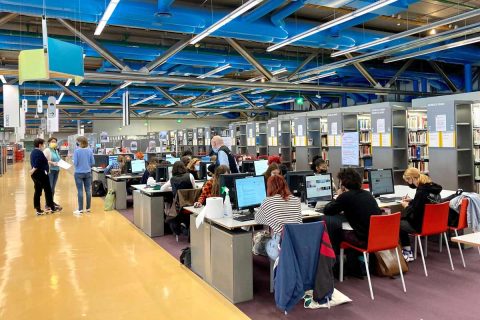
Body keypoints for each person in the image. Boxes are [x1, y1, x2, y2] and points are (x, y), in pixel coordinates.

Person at [323, 168, 381, 256]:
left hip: (364, 240)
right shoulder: (367, 194)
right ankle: (353, 261)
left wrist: (339, 196)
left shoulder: (345, 196)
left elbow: (327, 210)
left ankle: (337, 263)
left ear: (343, 184)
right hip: (377, 238)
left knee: (334, 230)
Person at [399, 167, 442, 262]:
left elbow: (415, 213)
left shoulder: (421, 191)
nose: (407, 182)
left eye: (407, 180)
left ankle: (407, 252)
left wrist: (406, 206)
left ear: (411, 179)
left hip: (421, 225)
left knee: (399, 223)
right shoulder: (431, 188)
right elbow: (424, 204)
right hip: (434, 224)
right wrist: (413, 201)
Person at [254, 175, 302, 255]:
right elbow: (300, 222)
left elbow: (258, 219)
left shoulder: (268, 201)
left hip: (279, 247)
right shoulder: (296, 200)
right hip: (296, 244)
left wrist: (272, 218)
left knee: (257, 240)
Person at [30, 138, 61, 215]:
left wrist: (33, 170)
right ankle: (52, 207)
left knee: (38, 191)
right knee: (48, 191)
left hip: (36, 175)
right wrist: (33, 169)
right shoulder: (39, 152)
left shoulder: (33, 152)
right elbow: (37, 163)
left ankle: (38, 209)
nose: (43, 146)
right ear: (40, 145)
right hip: (41, 174)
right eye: (43, 144)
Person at [73, 136, 95, 215]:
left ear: (80, 142)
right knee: (88, 190)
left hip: (78, 173)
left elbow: (75, 163)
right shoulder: (90, 151)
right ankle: (88, 208)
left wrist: (73, 160)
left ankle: (80, 209)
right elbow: (93, 162)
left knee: (80, 191)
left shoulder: (77, 151)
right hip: (88, 172)